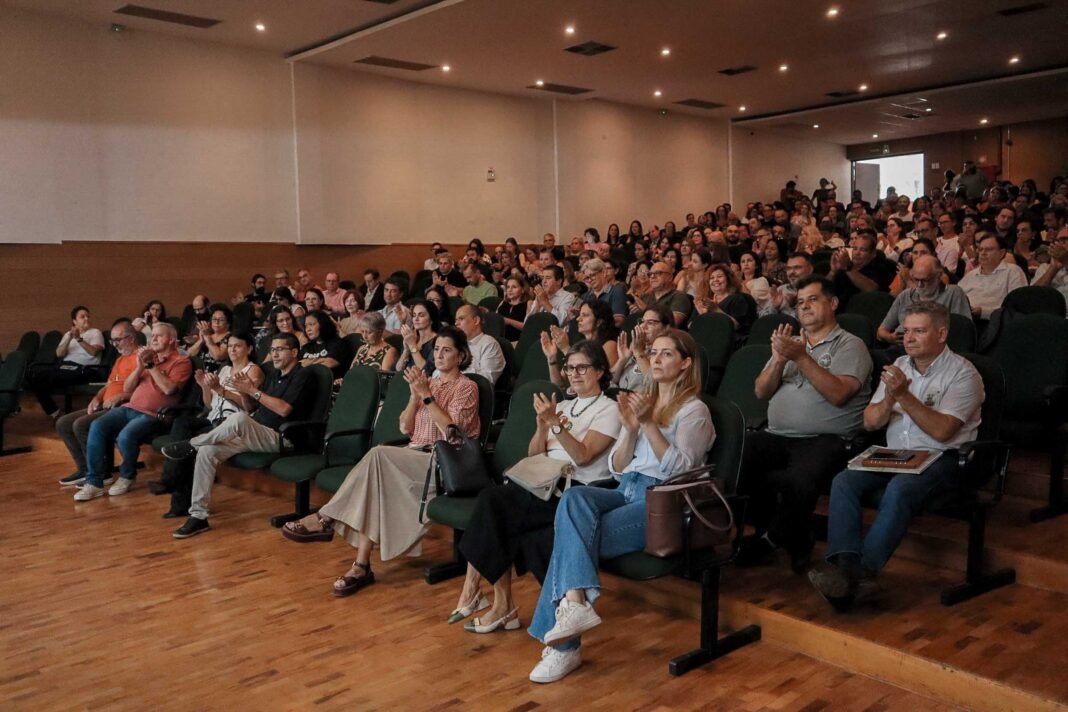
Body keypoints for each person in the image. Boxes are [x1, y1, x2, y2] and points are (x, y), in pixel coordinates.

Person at [525, 331, 714, 684]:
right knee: (575, 498)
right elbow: (618, 467)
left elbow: (680, 469)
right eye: (653, 353)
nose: (655, 359)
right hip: (627, 489)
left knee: (571, 543)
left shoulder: (694, 410)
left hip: (663, 502)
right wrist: (630, 430)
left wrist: (647, 424)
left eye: (666, 354)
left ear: (686, 363)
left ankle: (564, 645)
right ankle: (574, 605)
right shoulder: (646, 403)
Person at [279, 327, 479, 595]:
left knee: (377, 454)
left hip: (442, 464)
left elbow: (453, 433)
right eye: (437, 349)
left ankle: (326, 517)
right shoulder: (427, 382)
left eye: (447, 350)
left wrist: (428, 397)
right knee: (374, 481)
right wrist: (414, 396)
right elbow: (406, 428)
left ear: (461, 355)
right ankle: (360, 565)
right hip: (411, 456)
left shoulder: (467, 387)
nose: (440, 354)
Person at [811, 303, 983, 608]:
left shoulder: (963, 374)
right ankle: (847, 569)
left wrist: (904, 395)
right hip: (896, 455)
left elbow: (943, 431)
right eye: (906, 331)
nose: (909, 338)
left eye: (920, 331)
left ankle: (864, 573)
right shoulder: (899, 366)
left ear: (941, 334)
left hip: (944, 458)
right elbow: (870, 421)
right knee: (844, 481)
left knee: (901, 489)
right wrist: (890, 396)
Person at [450, 341, 621, 632]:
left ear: (601, 371)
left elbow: (582, 455)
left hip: (572, 492)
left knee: (495, 503)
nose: (574, 374)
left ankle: (480, 595)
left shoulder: (609, 410)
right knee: (497, 507)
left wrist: (555, 424)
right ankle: (496, 604)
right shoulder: (564, 405)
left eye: (582, 367)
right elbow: (533, 455)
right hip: (540, 483)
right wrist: (543, 428)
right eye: (569, 368)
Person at [737, 277, 872, 571]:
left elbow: (838, 394)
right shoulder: (790, 345)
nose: (804, 306)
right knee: (739, 457)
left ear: (833, 304)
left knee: (799, 478)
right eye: (800, 302)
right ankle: (777, 533)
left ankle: (775, 539)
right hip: (777, 434)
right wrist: (776, 360)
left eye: (813, 299)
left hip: (827, 438)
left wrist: (801, 357)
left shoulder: (851, 345)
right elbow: (761, 391)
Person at [161, 332, 314, 539]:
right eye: (272, 350)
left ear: (294, 352)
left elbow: (284, 410)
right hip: (258, 431)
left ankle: (191, 443)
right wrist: (245, 392)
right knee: (207, 451)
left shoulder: (303, 375)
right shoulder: (274, 376)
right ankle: (198, 516)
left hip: (284, 436)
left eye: (280, 349)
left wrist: (254, 390)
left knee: (239, 419)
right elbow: (252, 407)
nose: (274, 354)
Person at [73, 323, 193, 501]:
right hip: (130, 408)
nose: (154, 339)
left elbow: (169, 390)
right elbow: (128, 386)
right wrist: (139, 367)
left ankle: (127, 476)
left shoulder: (181, 362)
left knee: (125, 436)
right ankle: (94, 483)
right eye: (153, 336)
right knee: (97, 425)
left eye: (160, 336)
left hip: (153, 414)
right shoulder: (149, 359)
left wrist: (151, 367)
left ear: (172, 340)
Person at [152, 333, 264, 515]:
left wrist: (220, 389)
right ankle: (172, 485)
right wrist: (204, 386)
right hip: (212, 417)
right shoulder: (225, 369)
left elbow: (250, 406)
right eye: (229, 346)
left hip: (232, 424)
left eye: (238, 346)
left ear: (249, 349)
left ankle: (174, 493)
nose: (232, 350)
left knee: (188, 447)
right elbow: (210, 404)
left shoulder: (253, 371)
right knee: (182, 424)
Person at [56, 319, 140, 487]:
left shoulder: (140, 358)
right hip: (105, 403)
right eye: (112, 340)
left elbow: (143, 391)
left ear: (131, 338)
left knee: (81, 424)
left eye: (118, 340)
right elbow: (109, 384)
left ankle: (101, 473)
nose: (114, 344)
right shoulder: (120, 359)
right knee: (63, 423)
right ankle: (84, 468)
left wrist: (120, 396)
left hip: (122, 407)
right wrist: (97, 397)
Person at [877, 255, 972, 347]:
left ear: (938, 276)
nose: (919, 285)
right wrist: (889, 337)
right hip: (899, 348)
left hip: (932, 351)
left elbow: (964, 332)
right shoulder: (905, 295)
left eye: (925, 280)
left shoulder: (953, 293)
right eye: (915, 279)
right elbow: (881, 331)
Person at [30, 306, 105, 419]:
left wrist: (79, 339)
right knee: (36, 377)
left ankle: (58, 415)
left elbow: (94, 352)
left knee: (46, 379)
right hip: (65, 367)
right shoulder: (67, 335)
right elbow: (59, 354)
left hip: (85, 369)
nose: (86, 319)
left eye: (88, 316)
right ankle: (55, 412)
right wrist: (70, 338)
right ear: (74, 321)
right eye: (82, 317)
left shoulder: (95, 333)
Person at [543, 302, 620, 388]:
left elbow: (595, 380)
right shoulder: (580, 346)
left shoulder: (609, 345)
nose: (578, 319)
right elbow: (559, 384)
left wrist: (566, 349)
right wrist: (551, 359)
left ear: (599, 322)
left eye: (585, 315)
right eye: (579, 315)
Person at [958, 234, 1028, 320]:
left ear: (1001, 253)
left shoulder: (1013, 271)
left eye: (989, 249)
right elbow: (957, 297)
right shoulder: (970, 275)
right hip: (966, 318)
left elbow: (1017, 306)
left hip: (995, 322)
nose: (983, 253)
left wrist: (983, 312)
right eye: (980, 249)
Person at [827, 231, 896, 309]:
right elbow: (823, 290)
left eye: (863, 250)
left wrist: (849, 269)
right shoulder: (844, 265)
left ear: (873, 254)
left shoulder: (881, 266)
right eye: (855, 249)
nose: (857, 253)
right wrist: (833, 272)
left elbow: (873, 291)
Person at [611, 304, 672, 391]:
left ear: (665, 328)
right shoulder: (634, 349)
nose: (643, 326)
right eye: (642, 321)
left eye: (650, 323)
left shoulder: (667, 354)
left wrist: (639, 353)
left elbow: (656, 385)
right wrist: (622, 360)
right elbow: (609, 382)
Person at [694, 263, 757, 339]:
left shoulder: (738, 298)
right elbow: (692, 327)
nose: (715, 280)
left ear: (728, 279)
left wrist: (715, 309)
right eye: (711, 278)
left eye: (719, 276)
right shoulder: (705, 301)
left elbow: (735, 326)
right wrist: (703, 314)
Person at [450, 304, 506, 384]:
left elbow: (485, 380)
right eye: (456, 320)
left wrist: (453, 374)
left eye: (461, 319)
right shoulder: (455, 344)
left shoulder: (489, 344)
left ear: (476, 320)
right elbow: (438, 370)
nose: (456, 323)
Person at [633, 261, 692, 326]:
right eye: (650, 274)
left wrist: (645, 309)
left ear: (670, 277)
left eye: (658, 273)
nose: (652, 276)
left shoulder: (679, 297)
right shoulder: (645, 297)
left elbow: (672, 323)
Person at [395, 299, 440, 376]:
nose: (416, 319)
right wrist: (406, 350)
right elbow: (398, 369)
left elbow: (426, 371)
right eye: (414, 315)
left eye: (421, 315)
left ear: (431, 319)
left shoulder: (438, 341)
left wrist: (412, 345)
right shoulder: (412, 338)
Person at [300, 310, 347, 379]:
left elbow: (330, 363)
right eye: (306, 326)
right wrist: (320, 361)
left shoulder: (338, 343)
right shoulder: (306, 347)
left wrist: (307, 363)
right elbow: (298, 365)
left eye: (311, 324)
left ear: (323, 324)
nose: (308, 329)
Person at [581, 258, 627, 326]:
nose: (590, 280)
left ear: (604, 272)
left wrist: (593, 324)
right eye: (587, 278)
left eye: (592, 275)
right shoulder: (586, 296)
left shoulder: (616, 291)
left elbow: (619, 320)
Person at [186, 305, 231, 373]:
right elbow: (189, 354)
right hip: (200, 373)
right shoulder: (209, 335)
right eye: (214, 319)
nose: (216, 322)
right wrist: (201, 340)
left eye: (221, 319)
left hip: (218, 373)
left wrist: (207, 336)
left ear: (228, 323)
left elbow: (218, 356)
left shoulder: (230, 337)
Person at [1031, 228, 1068, 310]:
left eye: (1065, 240)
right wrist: (1053, 268)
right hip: (1048, 317)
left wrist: (1066, 261)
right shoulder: (1044, 268)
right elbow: (1033, 296)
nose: (1060, 244)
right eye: (1058, 240)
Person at [497, 276, 531, 341]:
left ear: (523, 290)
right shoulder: (502, 303)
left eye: (514, 287)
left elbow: (529, 327)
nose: (510, 290)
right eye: (508, 287)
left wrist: (509, 321)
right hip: (501, 340)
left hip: (519, 341)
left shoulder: (528, 303)